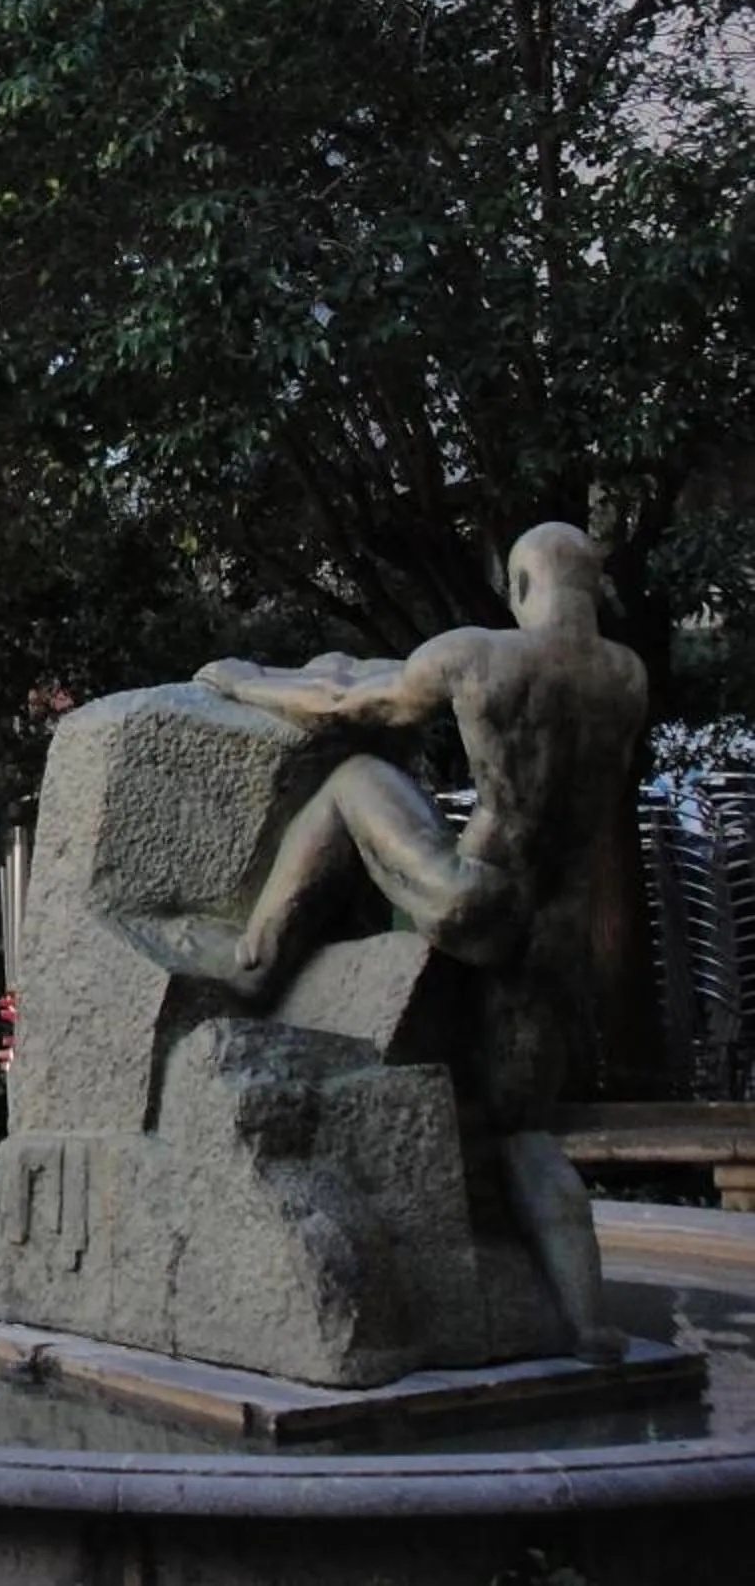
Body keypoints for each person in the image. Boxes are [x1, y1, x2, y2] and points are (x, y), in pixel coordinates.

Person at [191, 521, 646, 1358]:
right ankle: (589, 1324)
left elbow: (345, 705)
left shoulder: (481, 655)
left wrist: (245, 682)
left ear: (517, 585)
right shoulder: (625, 677)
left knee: (358, 779)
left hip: (475, 897)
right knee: (526, 1131)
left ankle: (253, 959)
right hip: (551, 934)